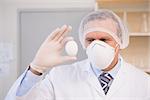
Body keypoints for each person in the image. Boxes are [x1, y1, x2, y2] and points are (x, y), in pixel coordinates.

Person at [5, 9, 150, 100]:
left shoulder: (143, 82)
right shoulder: (59, 76)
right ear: (83, 42)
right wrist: (36, 68)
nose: (96, 45)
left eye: (104, 39)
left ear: (120, 41)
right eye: (90, 40)